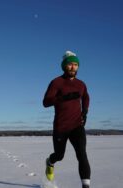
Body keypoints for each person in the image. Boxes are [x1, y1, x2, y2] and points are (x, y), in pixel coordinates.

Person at [43, 51, 91, 188]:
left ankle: (86, 186)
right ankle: (50, 162)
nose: (73, 67)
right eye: (70, 64)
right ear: (64, 66)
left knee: (82, 154)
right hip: (61, 127)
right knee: (59, 155)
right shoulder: (56, 82)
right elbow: (46, 102)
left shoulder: (81, 84)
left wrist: (85, 111)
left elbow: (86, 97)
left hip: (77, 125)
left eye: (76, 65)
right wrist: (63, 98)